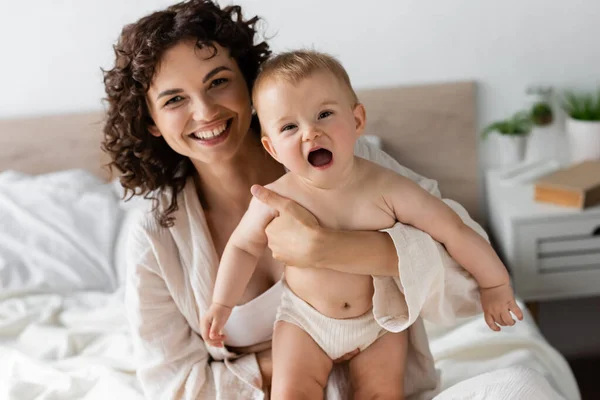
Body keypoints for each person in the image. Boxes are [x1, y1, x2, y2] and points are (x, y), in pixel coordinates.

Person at [102, 1, 491, 398]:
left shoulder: (351, 162)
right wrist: (304, 361)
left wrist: (341, 249)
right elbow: (173, 387)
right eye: (173, 100)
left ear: (249, 84)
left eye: (218, 81)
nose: (204, 111)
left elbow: (473, 280)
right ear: (151, 121)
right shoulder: (155, 237)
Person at [200, 50, 524, 398]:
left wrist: (495, 285)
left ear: (357, 121)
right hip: (304, 321)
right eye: (289, 127)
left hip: (378, 322)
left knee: (380, 393)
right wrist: (222, 304)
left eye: (324, 114)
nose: (310, 133)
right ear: (272, 147)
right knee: (291, 393)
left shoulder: (388, 188)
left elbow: (453, 231)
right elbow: (243, 246)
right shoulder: (275, 198)